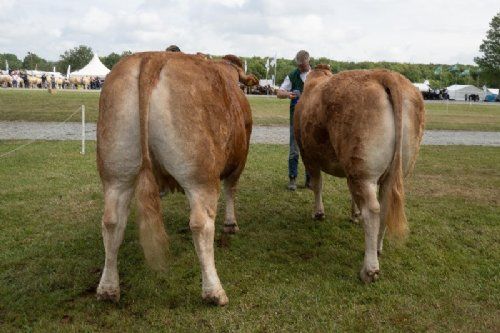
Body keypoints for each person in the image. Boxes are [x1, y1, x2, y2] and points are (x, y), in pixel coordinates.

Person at [277, 50, 311, 191]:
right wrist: (288, 94)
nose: (300, 68)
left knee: (310, 151)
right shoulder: (292, 75)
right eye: (298, 65)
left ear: (308, 61)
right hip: (296, 120)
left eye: (302, 65)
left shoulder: (315, 75)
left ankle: (310, 180)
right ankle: (292, 178)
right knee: (294, 150)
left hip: (312, 121)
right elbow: (279, 93)